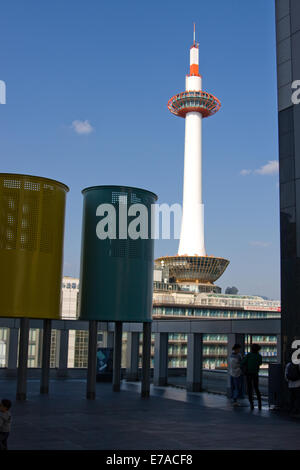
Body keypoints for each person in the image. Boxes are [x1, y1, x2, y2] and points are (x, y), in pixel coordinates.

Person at [241, 344, 263, 410]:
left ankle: (251, 404)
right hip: (255, 373)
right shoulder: (259, 356)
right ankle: (259, 404)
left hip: (248, 374)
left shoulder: (249, 355)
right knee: (256, 388)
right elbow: (260, 363)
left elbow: (242, 363)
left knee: (250, 389)